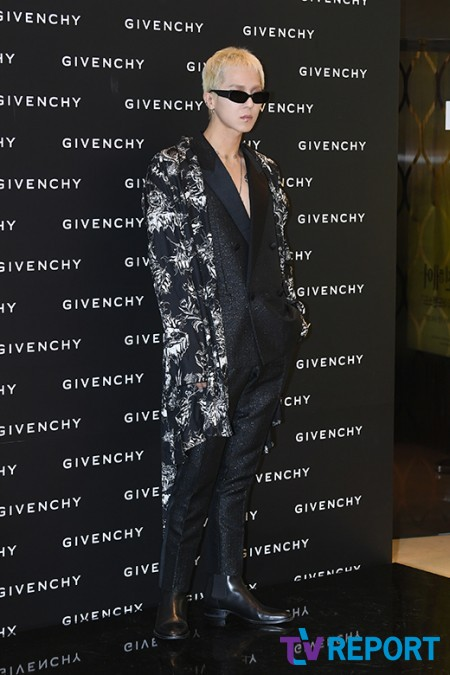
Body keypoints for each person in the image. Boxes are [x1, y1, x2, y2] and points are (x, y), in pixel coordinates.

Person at [142, 46, 309, 640]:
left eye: (257, 95)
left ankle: (225, 584)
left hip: (267, 346)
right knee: (195, 475)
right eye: (237, 94)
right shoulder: (173, 169)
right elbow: (168, 273)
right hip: (209, 354)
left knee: (238, 474)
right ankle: (171, 598)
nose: (249, 105)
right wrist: (195, 357)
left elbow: (275, 257)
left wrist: (290, 321)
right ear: (209, 97)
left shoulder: (266, 170)